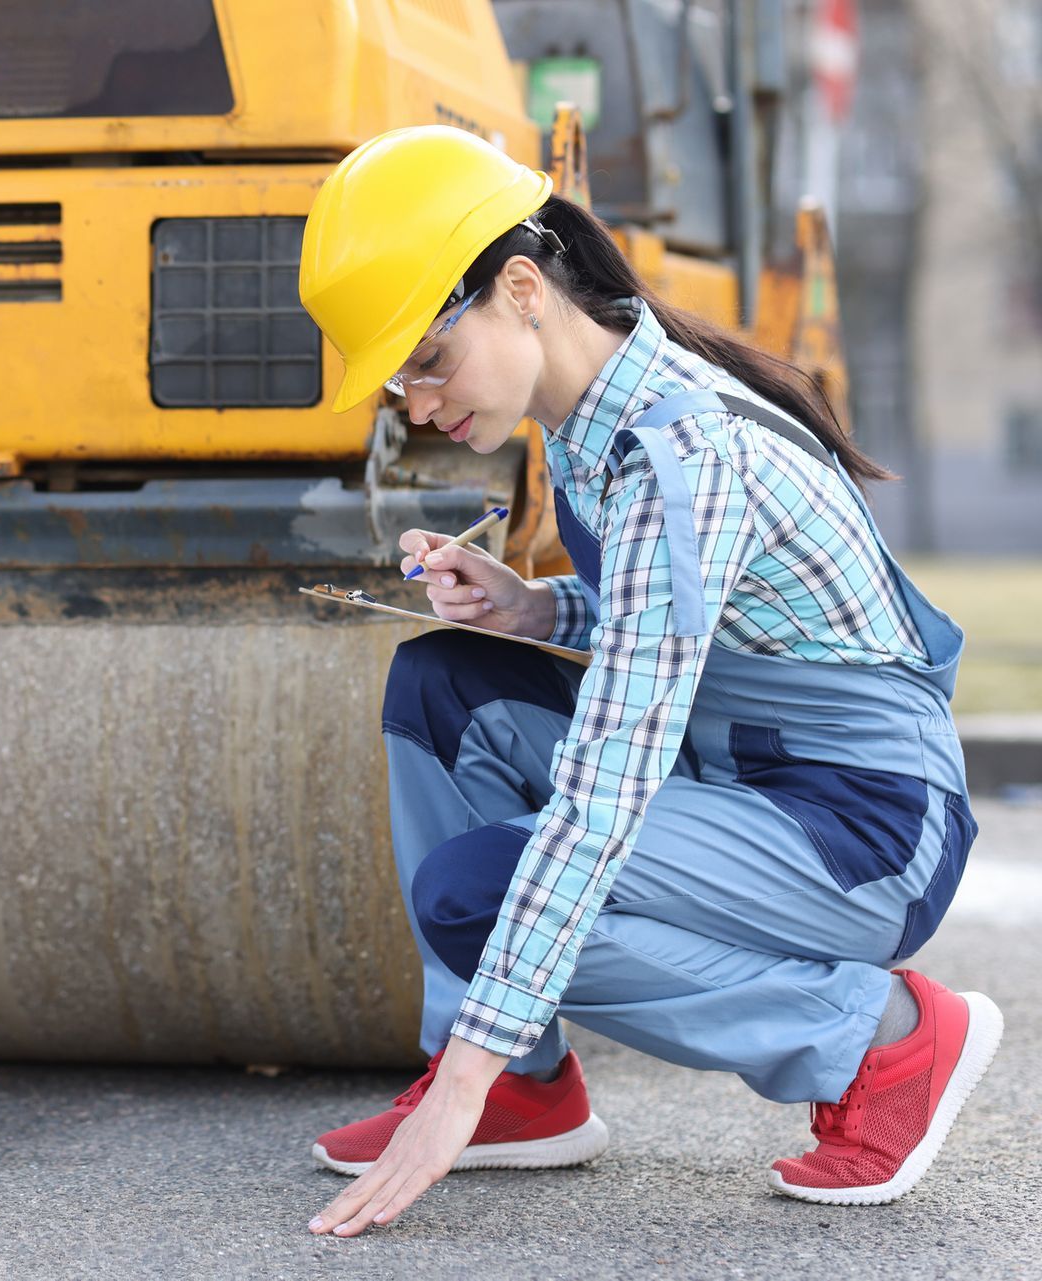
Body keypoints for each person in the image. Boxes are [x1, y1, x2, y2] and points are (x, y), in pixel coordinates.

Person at [294, 126, 1000, 1238]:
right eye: (400, 383)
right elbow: (699, 616)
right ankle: (527, 1094)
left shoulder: (684, 454)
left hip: (864, 827)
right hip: (747, 775)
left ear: (521, 289)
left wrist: (461, 1069)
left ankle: (877, 1040)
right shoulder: (588, 415)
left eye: (430, 361)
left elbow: (607, 789)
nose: (420, 405)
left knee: (486, 893)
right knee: (444, 692)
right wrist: (531, 608)